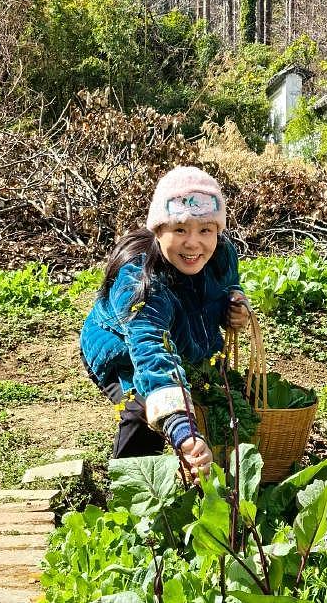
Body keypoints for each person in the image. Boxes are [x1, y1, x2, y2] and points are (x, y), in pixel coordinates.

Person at [80, 166, 250, 478]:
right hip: (121, 351)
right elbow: (152, 356)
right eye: (180, 230)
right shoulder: (140, 283)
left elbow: (228, 284)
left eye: (205, 230)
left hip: (184, 341)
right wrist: (184, 432)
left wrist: (234, 303)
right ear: (158, 231)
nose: (193, 243)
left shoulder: (222, 255)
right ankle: (132, 489)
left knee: (209, 398)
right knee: (142, 408)